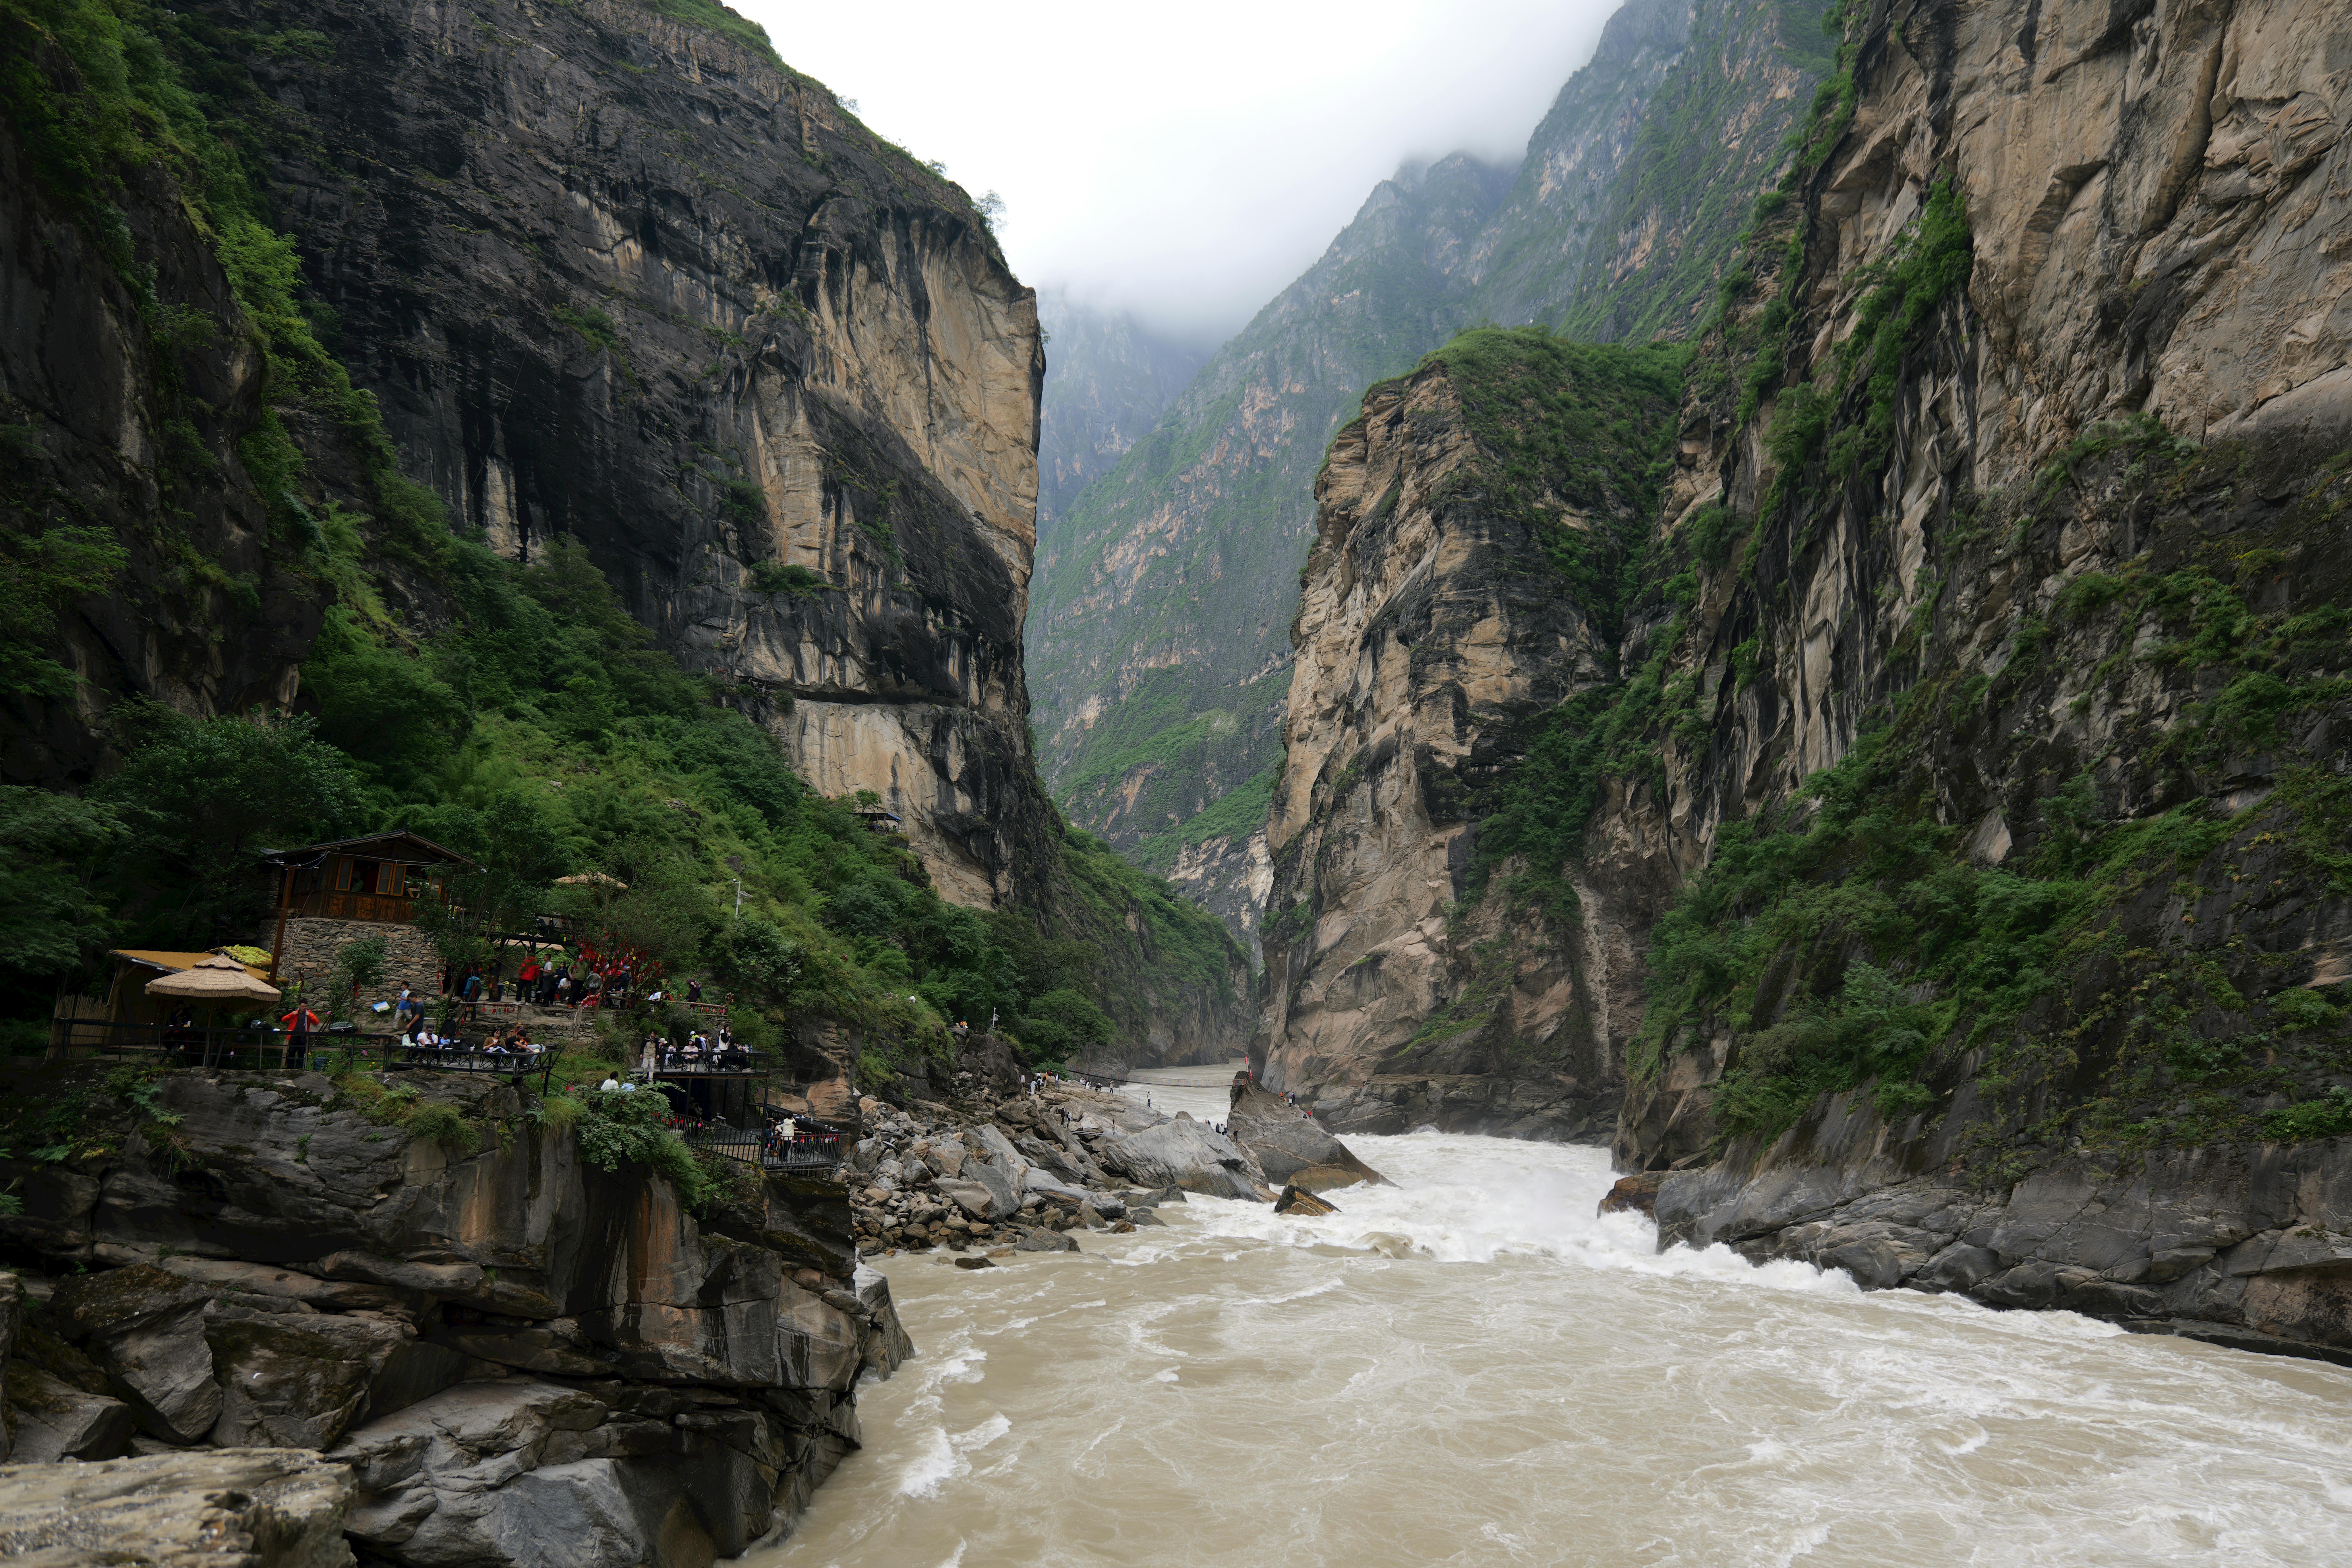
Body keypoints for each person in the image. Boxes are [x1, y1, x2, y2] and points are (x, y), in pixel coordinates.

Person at [279, 1002, 320, 1070]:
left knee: (301, 1053)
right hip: (293, 1036)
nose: (304, 1008)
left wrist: (310, 1015)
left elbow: (316, 1022)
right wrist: (292, 1014)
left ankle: (299, 1069)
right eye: (303, 1006)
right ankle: (290, 1068)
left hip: (303, 1036)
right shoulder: (295, 1014)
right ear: (300, 1006)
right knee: (292, 1052)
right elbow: (283, 1019)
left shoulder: (308, 1014)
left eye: (306, 1006)